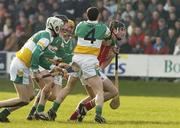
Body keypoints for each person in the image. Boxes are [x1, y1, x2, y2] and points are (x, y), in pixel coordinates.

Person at [45, 7, 113, 123]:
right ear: (98, 16)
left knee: (68, 87)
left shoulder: (80, 25)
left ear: (87, 15)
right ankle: (98, 115)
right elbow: (108, 41)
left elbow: (77, 34)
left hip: (76, 59)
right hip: (90, 61)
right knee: (99, 91)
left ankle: (53, 110)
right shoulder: (103, 27)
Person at [0, 16, 65, 122]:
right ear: (54, 26)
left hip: (23, 66)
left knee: (30, 96)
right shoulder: (46, 36)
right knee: (23, 99)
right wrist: (35, 71)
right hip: (20, 66)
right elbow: (35, 54)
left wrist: (54, 67)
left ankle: (3, 115)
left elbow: (41, 58)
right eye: (59, 27)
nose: (61, 29)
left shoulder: (46, 35)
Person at [69, 20, 126, 122]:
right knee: (113, 91)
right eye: (121, 29)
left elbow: (103, 65)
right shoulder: (104, 39)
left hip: (93, 69)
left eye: (124, 30)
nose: (124, 32)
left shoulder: (112, 45)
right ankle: (87, 108)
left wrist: (112, 54)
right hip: (89, 67)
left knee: (93, 96)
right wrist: (111, 47)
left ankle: (74, 117)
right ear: (114, 30)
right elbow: (103, 42)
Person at [26, 19, 75, 120]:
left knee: (54, 95)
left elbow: (65, 58)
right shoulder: (52, 37)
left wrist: (69, 68)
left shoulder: (70, 42)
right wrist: (61, 66)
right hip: (46, 66)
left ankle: (39, 111)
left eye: (72, 27)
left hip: (56, 69)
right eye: (68, 27)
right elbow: (47, 56)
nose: (69, 29)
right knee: (47, 88)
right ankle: (36, 112)